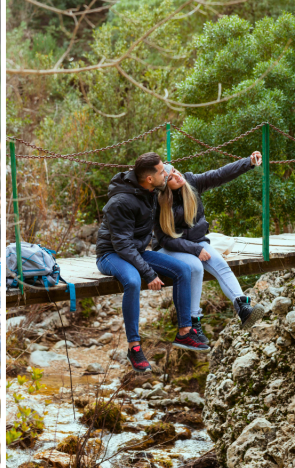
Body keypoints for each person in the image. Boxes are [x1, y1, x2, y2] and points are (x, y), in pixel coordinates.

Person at [96, 152, 207, 373]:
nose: (166, 172)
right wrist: (149, 274)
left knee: (184, 270)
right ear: (149, 178)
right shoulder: (120, 202)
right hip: (111, 254)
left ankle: (185, 332)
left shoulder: (151, 190)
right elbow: (122, 245)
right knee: (133, 280)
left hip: (135, 250)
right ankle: (134, 348)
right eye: (161, 171)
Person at [154, 152, 267, 336]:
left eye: (175, 171)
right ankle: (193, 322)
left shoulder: (190, 182)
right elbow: (164, 239)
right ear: (164, 186)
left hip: (196, 242)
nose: (177, 176)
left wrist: (248, 162)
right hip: (169, 247)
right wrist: (195, 250)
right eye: (171, 178)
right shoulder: (158, 202)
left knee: (221, 264)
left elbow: (220, 174)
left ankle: (243, 308)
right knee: (195, 268)